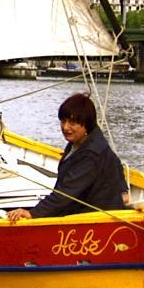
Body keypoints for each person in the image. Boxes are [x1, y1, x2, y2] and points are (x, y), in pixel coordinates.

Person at [7, 93, 128, 222]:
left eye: (72, 123)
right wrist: (123, 191)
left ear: (86, 124)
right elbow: (116, 164)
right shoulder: (84, 141)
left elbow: (66, 193)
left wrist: (33, 214)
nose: (65, 127)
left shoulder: (91, 154)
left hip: (95, 219)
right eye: (63, 121)